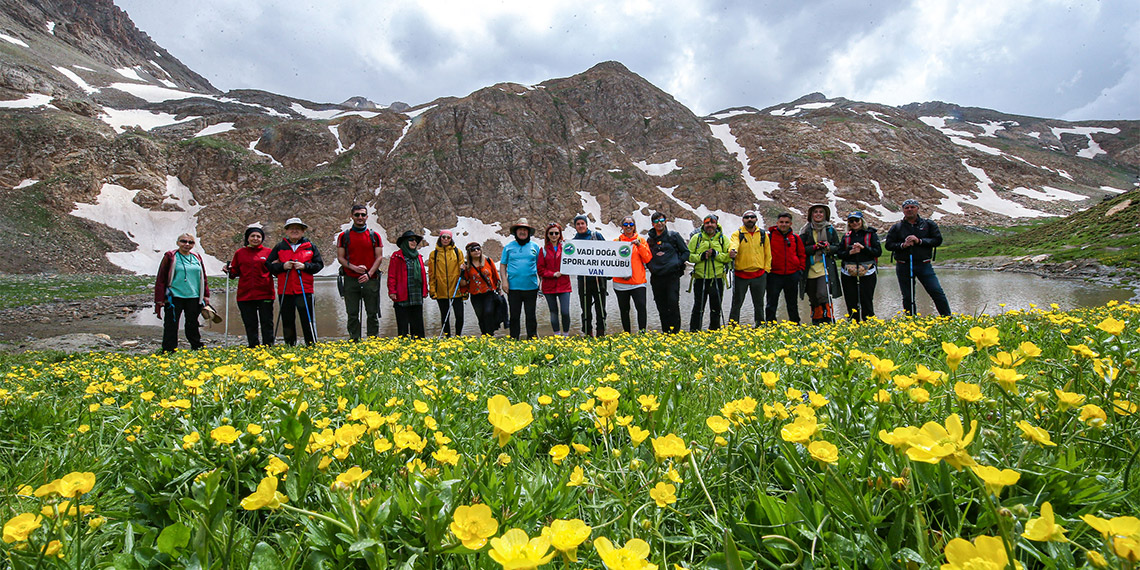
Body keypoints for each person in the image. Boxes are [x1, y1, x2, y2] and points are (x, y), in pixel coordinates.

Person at [884, 198, 952, 316]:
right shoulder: (897, 227)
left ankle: (947, 318)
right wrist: (902, 245)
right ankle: (911, 321)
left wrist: (919, 241)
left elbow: (937, 240)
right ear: (903, 210)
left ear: (917, 209)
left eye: (912, 207)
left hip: (924, 264)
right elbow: (889, 245)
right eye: (907, 208)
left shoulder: (929, 224)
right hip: (903, 264)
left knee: (936, 291)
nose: (909, 210)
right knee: (907, 296)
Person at [267, 218, 324, 346]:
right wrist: (282, 266)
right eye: (291, 228)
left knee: (307, 319)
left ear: (303, 231)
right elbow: (268, 265)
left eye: (298, 228)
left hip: (305, 289)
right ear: (286, 231)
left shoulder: (310, 246)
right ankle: (290, 345)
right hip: (285, 289)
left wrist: (305, 266)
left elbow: (319, 265)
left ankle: (311, 344)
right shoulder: (279, 247)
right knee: (287, 319)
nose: (294, 231)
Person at [155, 233, 211, 352]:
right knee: (171, 323)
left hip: (194, 296)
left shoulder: (197, 257)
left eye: (190, 242)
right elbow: (161, 277)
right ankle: (169, 349)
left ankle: (196, 346)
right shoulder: (170, 256)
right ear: (178, 243)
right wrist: (160, 299)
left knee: (193, 323)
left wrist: (206, 295)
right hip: (174, 296)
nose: (187, 244)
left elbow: (203, 277)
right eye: (183, 241)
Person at [336, 205, 384, 341]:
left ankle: (373, 341)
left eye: (363, 215)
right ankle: (354, 339)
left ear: (367, 217)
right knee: (352, 313)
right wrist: (354, 268)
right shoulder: (343, 236)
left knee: (372, 313)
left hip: (371, 279)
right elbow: (340, 257)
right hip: (351, 279)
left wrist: (369, 274)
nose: (360, 218)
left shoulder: (374, 236)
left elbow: (379, 257)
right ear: (352, 216)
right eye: (357, 215)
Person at [225, 226, 275, 347]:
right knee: (250, 322)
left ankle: (268, 345)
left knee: (267, 321)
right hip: (245, 294)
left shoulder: (268, 252)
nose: (255, 238)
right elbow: (234, 272)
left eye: (258, 236)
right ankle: (253, 345)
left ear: (262, 239)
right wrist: (228, 271)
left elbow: (274, 270)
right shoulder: (240, 253)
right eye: (252, 236)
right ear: (247, 238)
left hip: (265, 292)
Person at [646, 212, 689, 334]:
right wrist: (651, 266)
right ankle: (665, 332)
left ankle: (675, 332)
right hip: (656, 277)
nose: (659, 223)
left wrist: (677, 263)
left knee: (673, 303)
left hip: (672, 276)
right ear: (652, 224)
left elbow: (686, 252)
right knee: (661, 306)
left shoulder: (673, 236)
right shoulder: (650, 240)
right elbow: (646, 257)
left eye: (661, 220)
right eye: (656, 221)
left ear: (665, 221)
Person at [728, 210, 772, 327]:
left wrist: (766, 269)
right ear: (743, 220)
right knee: (737, 303)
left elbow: (768, 253)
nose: (750, 219)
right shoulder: (737, 234)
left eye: (752, 217)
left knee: (759, 303)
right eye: (747, 217)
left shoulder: (763, 235)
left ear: (756, 219)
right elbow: (734, 244)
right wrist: (733, 251)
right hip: (741, 274)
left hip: (759, 274)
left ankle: (760, 325)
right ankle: (733, 326)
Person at [799, 204, 842, 325]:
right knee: (813, 296)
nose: (818, 214)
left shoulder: (830, 229)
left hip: (824, 267)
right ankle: (816, 320)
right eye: (815, 212)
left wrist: (828, 247)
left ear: (825, 215)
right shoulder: (805, 230)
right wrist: (814, 247)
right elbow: (801, 249)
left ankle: (828, 319)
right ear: (811, 215)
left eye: (821, 212)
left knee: (823, 293)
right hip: (810, 268)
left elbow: (837, 247)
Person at [688, 215, 731, 331]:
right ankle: (694, 332)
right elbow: (689, 256)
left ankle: (714, 331)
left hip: (717, 278)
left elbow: (728, 257)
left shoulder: (723, 239)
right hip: (700, 278)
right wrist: (701, 257)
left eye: (712, 223)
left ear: (716, 225)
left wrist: (716, 254)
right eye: (707, 223)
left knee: (716, 308)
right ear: (703, 225)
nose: (710, 225)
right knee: (698, 308)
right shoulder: (696, 238)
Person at [500, 218, 541, 340]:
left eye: (525, 230)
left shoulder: (535, 247)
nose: (522, 232)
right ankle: (514, 339)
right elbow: (503, 265)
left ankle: (532, 338)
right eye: (520, 230)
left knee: (531, 315)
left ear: (528, 232)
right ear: (516, 232)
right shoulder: (508, 247)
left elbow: (540, 266)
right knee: (514, 316)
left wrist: (542, 282)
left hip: (531, 287)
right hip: (513, 287)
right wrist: (504, 281)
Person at [836, 212, 881, 322]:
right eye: (851, 221)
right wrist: (850, 252)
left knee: (867, 299)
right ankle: (853, 324)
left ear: (862, 221)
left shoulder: (871, 234)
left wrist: (863, 248)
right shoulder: (846, 236)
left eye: (857, 220)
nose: (854, 223)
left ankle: (869, 324)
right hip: (848, 272)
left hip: (868, 271)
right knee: (851, 300)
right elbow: (839, 254)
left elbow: (878, 252)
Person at [613, 216, 652, 334]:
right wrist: (620, 274)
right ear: (622, 227)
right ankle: (627, 334)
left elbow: (647, 258)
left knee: (641, 307)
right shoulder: (616, 242)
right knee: (624, 310)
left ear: (634, 226)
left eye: (631, 224)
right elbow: (612, 263)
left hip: (638, 282)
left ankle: (642, 333)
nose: (628, 227)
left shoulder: (641, 240)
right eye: (626, 224)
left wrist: (639, 245)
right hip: (620, 283)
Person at [571, 215, 608, 337]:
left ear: (586, 224)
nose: (581, 226)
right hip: (583, 280)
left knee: (600, 308)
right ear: (575, 226)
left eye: (582, 223)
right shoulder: (573, 241)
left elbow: (607, 252)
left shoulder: (596, 236)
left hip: (599, 279)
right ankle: (588, 332)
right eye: (578, 224)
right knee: (585, 308)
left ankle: (601, 332)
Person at [387, 231, 428, 338]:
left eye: (415, 240)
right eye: (411, 240)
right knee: (403, 324)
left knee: (418, 322)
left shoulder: (418, 257)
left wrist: (424, 290)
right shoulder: (396, 256)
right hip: (402, 294)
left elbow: (423, 275)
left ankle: (419, 344)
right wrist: (392, 291)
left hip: (416, 294)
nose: (414, 242)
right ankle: (404, 344)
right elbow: (391, 275)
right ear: (405, 242)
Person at [766, 213, 805, 323]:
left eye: (786, 222)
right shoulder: (769, 237)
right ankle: (770, 325)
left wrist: (800, 270)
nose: (784, 224)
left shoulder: (795, 238)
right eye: (781, 222)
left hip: (792, 274)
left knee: (792, 303)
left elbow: (802, 255)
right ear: (777, 223)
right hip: (774, 274)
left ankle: (795, 324)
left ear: (790, 224)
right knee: (771, 302)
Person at [427, 230, 466, 336]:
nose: (445, 239)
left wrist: (463, 270)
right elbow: (431, 274)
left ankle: (458, 336)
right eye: (443, 237)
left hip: (456, 288)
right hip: (441, 289)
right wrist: (432, 289)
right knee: (444, 315)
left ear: (451, 239)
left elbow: (463, 272)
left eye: (448, 238)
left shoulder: (458, 252)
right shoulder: (434, 254)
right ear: (440, 238)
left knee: (459, 315)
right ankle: (448, 337)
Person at [537, 222, 572, 336]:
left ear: (560, 234)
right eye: (551, 233)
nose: (554, 235)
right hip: (549, 287)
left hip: (564, 285)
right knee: (553, 312)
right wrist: (552, 274)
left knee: (565, 312)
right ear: (547, 235)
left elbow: (575, 262)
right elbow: (540, 269)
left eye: (556, 233)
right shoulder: (543, 250)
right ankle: (557, 335)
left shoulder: (566, 247)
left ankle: (566, 336)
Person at [461, 242, 502, 336]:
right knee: (480, 316)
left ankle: (490, 334)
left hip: (489, 293)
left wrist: (499, 289)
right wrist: (462, 272)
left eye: (478, 249)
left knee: (488, 312)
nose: (476, 251)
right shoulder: (467, 265)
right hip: (475, 295)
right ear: (469, 252)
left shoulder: (488, 261)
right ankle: (484, 334)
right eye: (473, 250)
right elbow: (463, 284)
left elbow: (495, 275)